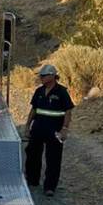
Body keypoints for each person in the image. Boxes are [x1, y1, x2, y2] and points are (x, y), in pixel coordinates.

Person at [25, 64, 74, 197]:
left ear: (52, 76)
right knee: (32, 154)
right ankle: (32, 180)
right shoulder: (39, 92)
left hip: (54, 131)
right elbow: (34, 109)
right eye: (41, 76)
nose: (41, 78)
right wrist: (27, 125)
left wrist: (65, 129)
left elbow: (68, 111)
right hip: (38, 128)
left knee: (53, 159)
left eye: (44, 75)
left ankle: (50, 187)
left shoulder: (62, 92)